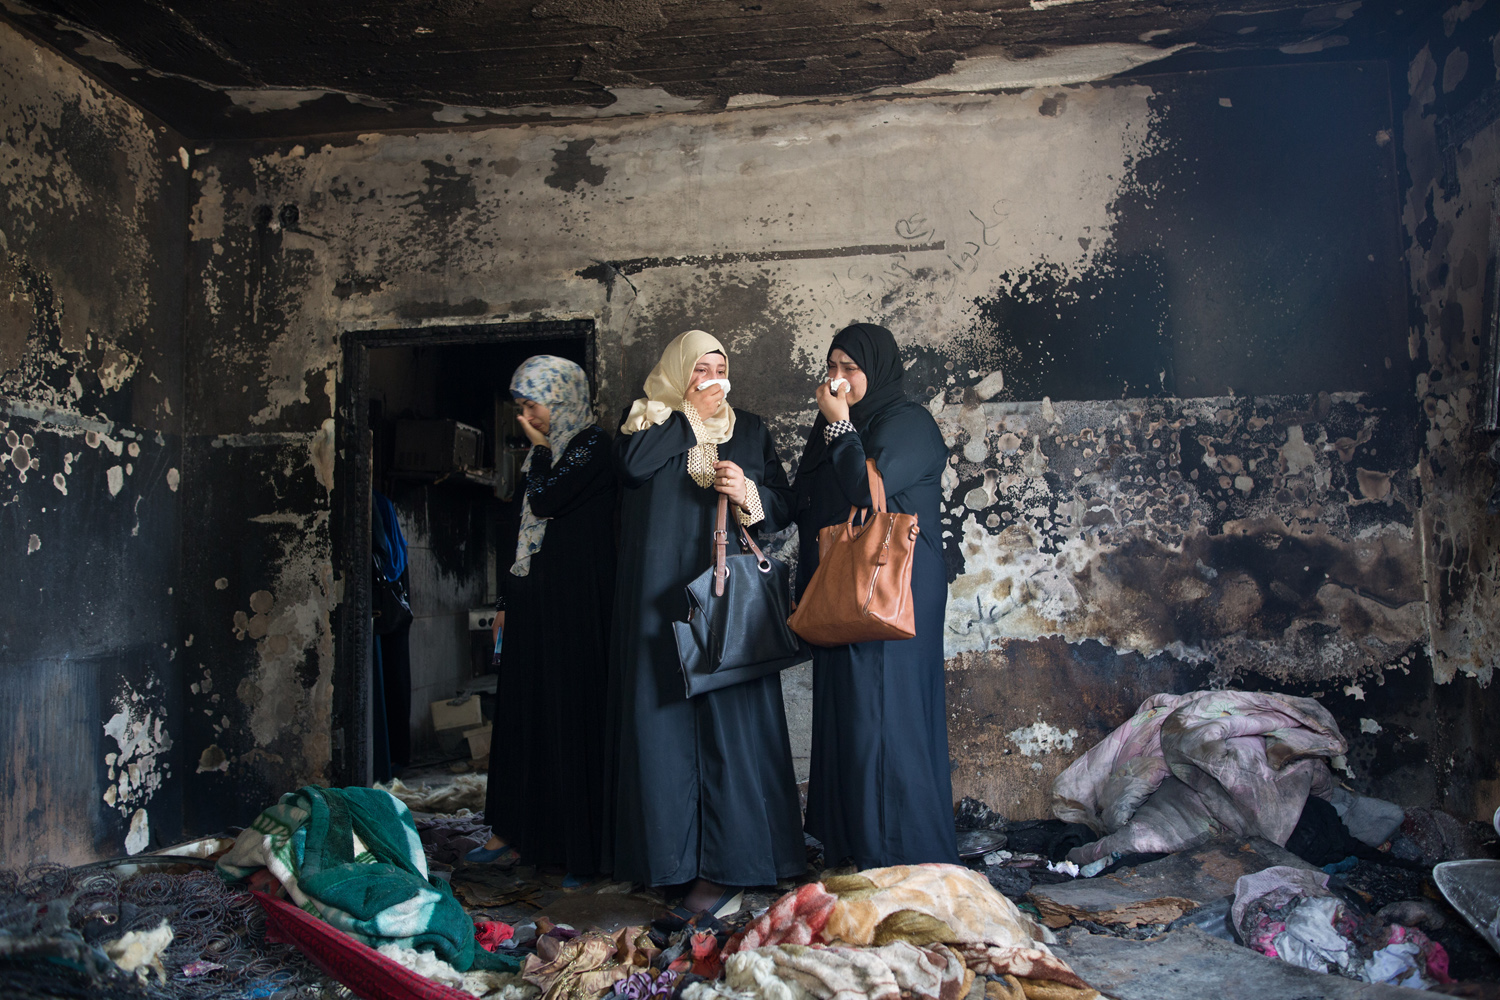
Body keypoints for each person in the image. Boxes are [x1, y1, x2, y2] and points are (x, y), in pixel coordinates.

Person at [606, 329, 804, 917]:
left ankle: (732, 867)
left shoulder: (751, 429)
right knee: (662, 729)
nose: (712, 379)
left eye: (720, 367)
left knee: (731, 727)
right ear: (677, 373)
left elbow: (784, 508)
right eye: (699, 369)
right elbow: (635, 469)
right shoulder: (646, 421)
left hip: (724, 602)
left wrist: (750, 491)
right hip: (655, 602)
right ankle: (668, 862)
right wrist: (686, 415)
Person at [794, 322, 960, 870]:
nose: (838, 380)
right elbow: (803, 501)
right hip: (844, 588)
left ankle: (902, 855)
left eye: (851, 369)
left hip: (896, 586)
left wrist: (841, 430)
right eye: (832, 367)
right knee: (851, 715)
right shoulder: (833, 430)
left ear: (877, 371)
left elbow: (867, 490)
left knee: (887, 714)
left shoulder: (907, 423)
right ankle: (856, 847)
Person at [470, 356, 616, 879]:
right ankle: (512, 833)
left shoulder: (592, 445)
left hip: (577, 609)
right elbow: (521, 532)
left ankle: (575, 847)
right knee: (523, 716)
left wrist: (537, 451)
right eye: (520, 407)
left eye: (532, 405)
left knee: (570, 717)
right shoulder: (546, 453)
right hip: (534, 606)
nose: (525, 417)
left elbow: (549, 498)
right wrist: (508, 604)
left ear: (560, 399)